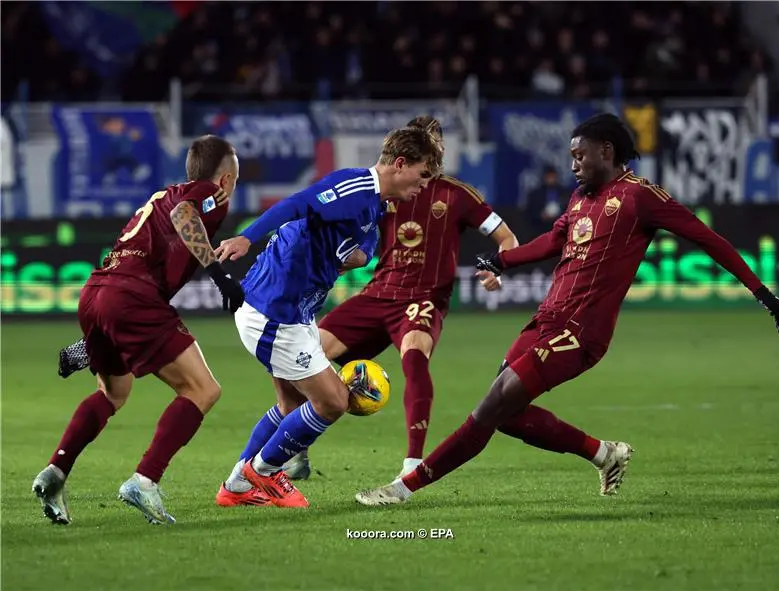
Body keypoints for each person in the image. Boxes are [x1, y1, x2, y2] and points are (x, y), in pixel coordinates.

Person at [354, 113, 779, 506]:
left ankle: (403, 488)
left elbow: (706, 238)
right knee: (506, 417)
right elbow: (552, 241)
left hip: (582, 332)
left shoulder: (641, 197)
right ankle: (605, 453)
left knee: (490, 407)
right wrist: (503, 259)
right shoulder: (580, 198)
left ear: (607, 151)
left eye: (579, 155)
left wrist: (760, 289)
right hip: (545, 320)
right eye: (571, 156)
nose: (573, 164)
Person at [267, 115, 518, 484]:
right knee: (296, 356)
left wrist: (497, 267)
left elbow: (507, 238)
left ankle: (413, 463)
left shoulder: (458, 195)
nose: (434, 156)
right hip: (378, 294)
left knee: (415, 360)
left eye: (437, 146)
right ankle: (294, 451)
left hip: (424, 299)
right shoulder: (384, 192)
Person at [214, 125, 444, 508]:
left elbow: (364, 247)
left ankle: (235, 487)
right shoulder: (355, 188)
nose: (423, 186)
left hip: (296, 314)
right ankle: (264, 472)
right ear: (400, 164)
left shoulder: (376, 205)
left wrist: (355, 254)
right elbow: (298, 203)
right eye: (421, 176)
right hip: (273, 311)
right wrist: (246, 238)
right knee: (334, 402)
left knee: (290, 407)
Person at [32, 135, 245, 525]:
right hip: (133, 298)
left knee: (114, 392)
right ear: (227, 179)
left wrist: (91, 344)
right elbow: (185, 216)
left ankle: (55, 472)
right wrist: (220, 275)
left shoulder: (164, 194)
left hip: (98, 293)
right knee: (203, 389)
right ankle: (145, 480)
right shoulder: (208, 195)